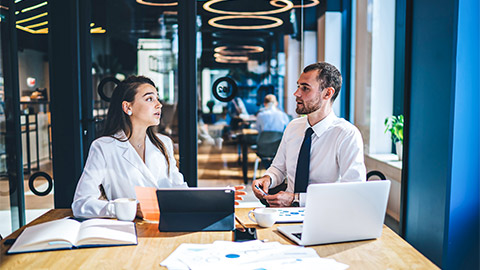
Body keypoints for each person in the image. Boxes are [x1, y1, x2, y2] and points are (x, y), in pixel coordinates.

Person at [72, 76, 244, 218]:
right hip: (129, 232)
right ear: (127, 107)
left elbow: (179, 190)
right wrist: (126, 209)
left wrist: (216, 198)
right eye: (149, 98)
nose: (159, 104)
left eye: (157, 97)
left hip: (168, 224)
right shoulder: (104, 147)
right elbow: (81, 204)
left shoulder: (164, 143)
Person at [252, 62, 366, 207]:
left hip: (326, 213)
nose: (296, 94)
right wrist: (268, 178)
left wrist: (296, 198)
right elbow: (279, 168)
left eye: (305, 88)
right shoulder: (293, 127)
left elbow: (353, 191)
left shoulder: (346, 135)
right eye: (298, 86)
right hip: (285, 213)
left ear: (327, 93)